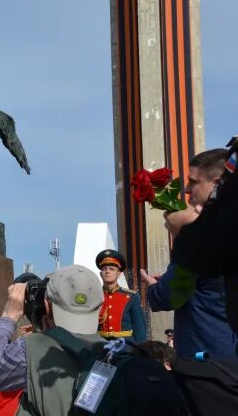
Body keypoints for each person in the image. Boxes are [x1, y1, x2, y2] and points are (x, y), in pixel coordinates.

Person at [0, 265, 107, 416]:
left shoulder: (33, 347)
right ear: (99, 308)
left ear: (47, 305)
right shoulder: (115, 351)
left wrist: (8, 317)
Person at [142, 148, 237, 359]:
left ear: (217, 182)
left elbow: (169, 296)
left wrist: (155, 289)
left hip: (209, 363)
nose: (186, 189)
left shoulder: (205, 236)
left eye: (194, 181)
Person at [95, 249, 147, 342]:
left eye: (111, 269)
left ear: (118, 274)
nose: (107, 271)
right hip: (100, 345)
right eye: (104, 269)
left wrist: (141, 351)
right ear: (100, 274)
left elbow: (139, 327)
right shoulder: (94, 296)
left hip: (125, 346)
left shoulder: (131, 296)